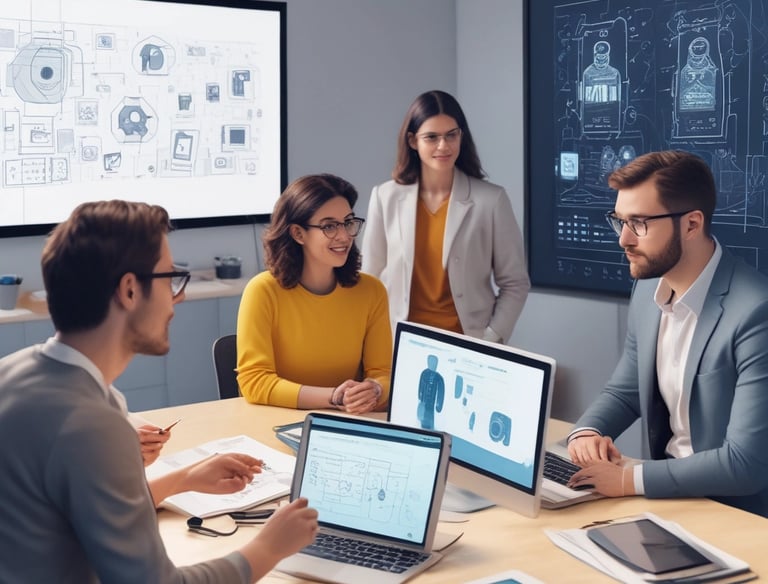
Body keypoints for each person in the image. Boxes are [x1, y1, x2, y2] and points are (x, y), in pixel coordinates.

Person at [0, 200, 318, 583]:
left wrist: (181, 479)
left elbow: (70, 514)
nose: (177, 298)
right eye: (170, 279)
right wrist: (268, 548)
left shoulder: (13, 374)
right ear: (130, 290)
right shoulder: (91, 425)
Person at [566, 150, 768, 517]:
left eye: (639, 223)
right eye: (620, 221)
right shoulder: (647, 290)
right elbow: (624, 391)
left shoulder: (755, 313)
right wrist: (586, 433)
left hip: (735, 515)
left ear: (692, 225)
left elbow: (745, 464)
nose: (623, 240)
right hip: (666, 499)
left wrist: (629, 480)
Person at [362, 89, 530, 343]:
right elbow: (370, 280)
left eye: (451, 135)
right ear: (412, 141)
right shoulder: (385, 197)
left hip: (468, 344)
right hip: (398, 343)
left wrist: (490, 338)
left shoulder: (491, 200)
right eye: (431, 137)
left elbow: (515, 282)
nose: (444, 146)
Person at [237, 173, 392, 413]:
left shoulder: (371, 291)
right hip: (277, 422)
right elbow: (255, 381)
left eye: (348, 222)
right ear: (298, 234)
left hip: (349, 424)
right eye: (329, 226)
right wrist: (334, 397)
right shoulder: (262, 291)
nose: (344, 236)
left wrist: (374, 389)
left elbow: (383, 373)